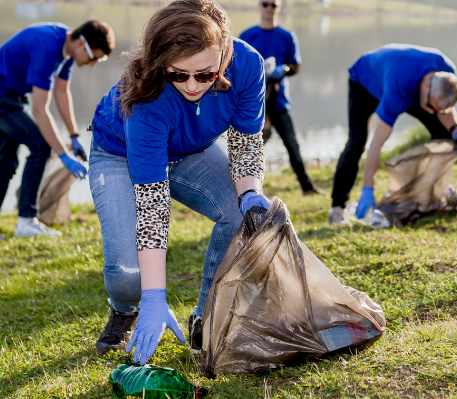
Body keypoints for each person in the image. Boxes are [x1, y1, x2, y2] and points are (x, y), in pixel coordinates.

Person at [89, 0, 269, 364]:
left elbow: (245, 143)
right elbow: (153, 208)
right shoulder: (146, 99)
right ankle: (125, 308)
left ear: (225, 53)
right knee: (128, 275)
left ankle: (206, 315)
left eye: (205, 75)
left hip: (191, 151)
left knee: (239, 215)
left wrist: (250, 192)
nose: (191, 86)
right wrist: (154, 295)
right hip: (119, 154)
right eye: (178, 75)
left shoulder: (248, 65)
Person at [328, 43, 457, 226]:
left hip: (408, 84)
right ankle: (337, 208)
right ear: (425, 85)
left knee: (443, 134)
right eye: (430, 107)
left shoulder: (447, 75)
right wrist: (368, 190)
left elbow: (443, 110)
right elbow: (377, 144)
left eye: (435, 109)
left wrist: (456, 129)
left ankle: (439, 192)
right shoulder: (398, 89)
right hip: (364, 82)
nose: (431, 113)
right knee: (357, 143)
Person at [0, 20, 114, 238]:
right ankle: (26, 221)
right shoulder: (47, 48)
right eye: (94, 58)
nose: (93, 64)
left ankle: (25, 220)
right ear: (82, 43)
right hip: (4, 97)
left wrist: (73, 135)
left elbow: (62, 91)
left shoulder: (66, 48)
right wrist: (63, 155)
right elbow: (40, 110)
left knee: (5, 162)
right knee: (40, 145)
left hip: (11, 95)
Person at [239, 0, 322, 195]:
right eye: (265, 4)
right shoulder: (247, 35)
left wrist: (280, 70)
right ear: (259, 6)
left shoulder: (287, 36)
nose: (269, 8)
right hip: (254, 103)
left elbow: (295, 67)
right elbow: (237, 68)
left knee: (292, 145)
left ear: (279, 7)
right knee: (249, 148)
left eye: (273, 5)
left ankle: (307, 187)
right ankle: (241, 189)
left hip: (279, 101)